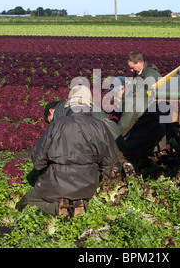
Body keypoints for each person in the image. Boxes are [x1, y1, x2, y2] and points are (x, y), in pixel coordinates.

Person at [16, 85, 126, 218]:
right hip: (88, 185)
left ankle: (57, 208)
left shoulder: (56, 125)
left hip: (56, 184)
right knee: (82, 194)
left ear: (69, 105)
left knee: (25, 203)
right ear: (90, 105)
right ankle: (80, 203)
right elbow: (111, 161)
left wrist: (45, 171)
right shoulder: (100, 126)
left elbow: (38, 161)